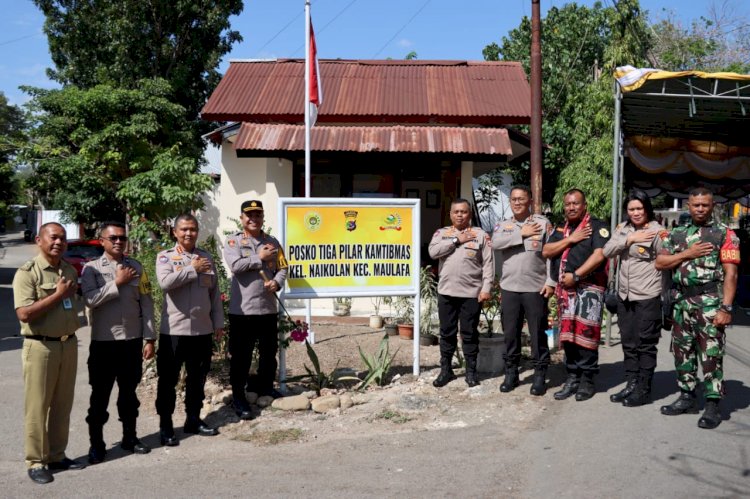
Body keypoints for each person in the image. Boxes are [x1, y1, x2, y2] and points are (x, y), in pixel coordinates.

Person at [655, 187, 739, 429]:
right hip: (682, 303)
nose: (700, 209)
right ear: (687, 206)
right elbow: (660, 262)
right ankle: (686, 397)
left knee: (711, 355)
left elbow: (731, 274)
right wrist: (688, 253)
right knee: (683, 352)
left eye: (705, 204)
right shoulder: (677, 234)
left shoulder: (724, 234)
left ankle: (712, 404)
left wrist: (726, 308)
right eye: (695, 205)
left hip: (710, 302)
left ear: (712, 206)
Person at [12, 222, 85, 484]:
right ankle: (36, 461)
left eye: (63, 238)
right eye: (53, 237)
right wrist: (57, 295)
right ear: (39, 240)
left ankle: (56, 454)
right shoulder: (27, 273)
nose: (58, 242)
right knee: (37, 407)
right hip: (40, 347)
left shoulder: (67, 269)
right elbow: (24, 313)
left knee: (62, 405)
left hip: (68, 345)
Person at [80, 221, 156, 464]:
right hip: (104, 342)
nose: (118, 242)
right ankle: (97, 444)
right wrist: (117, 283)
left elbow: (146, 303)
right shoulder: (91, 269)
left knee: (129, 395)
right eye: (112, 238)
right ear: (101, 241)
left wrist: (149, 337)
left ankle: (130, 438)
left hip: (131, 342)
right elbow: (90, 300)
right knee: (99, 396)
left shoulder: (136, 267)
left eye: (122, 238)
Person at [155, 214, 224, 445]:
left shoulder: (206, 257)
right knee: (168, 381)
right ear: (175, 232)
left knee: (198, 379)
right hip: (174, 331)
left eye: (193, 229)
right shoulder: (165, 257)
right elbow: (165, 283)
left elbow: (214, 294)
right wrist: (191, 269)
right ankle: (166, 426)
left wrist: (218, 322)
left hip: (202, 331)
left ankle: (193, 420)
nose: (188, 233)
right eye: (184, 229)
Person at [542, 189, 610, 401]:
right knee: (568, 336)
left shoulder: (597, 226)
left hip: (588, 289)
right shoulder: (563, 228)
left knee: (585, 336)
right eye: (568, 204)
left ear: (584, 205)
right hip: (566, 292)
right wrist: (570, 239)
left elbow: (599, 256)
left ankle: (587, 380)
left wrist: (577, 276)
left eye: (575, 204)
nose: (571, 208)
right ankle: (572, 377)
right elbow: (546, 251)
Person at [223, 200, 288, 419]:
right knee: (241, 356)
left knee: (269, 353)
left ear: (263, 218)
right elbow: (235, 266)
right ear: (242, 218)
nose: (254, 219)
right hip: (243, 310)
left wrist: (277, 283)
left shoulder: (272, 241)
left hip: (267, 308)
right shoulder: (233, 241)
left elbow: (282, 268)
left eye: (258, 214)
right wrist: (258, 258)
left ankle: (265, 387)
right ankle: (239, 396)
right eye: (249, 215)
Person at [602, 190, 665, 407]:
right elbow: (607, 251)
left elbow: (666, 262)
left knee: (645, 344)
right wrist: (629, 239)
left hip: (647, 295)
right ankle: (631, 383)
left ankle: (644, 389)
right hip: (624, 296)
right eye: (631, 209)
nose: (636, 213)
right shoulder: (623, 229)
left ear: (647, 208)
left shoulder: (657, 232)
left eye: (639, 208)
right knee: (628, 342)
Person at [492, 185, 554, 395]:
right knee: (510, 333)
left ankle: (539, 375)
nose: (517, 202)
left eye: (521, 199)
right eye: (513, 199)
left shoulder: (542, 224)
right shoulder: (503, 225)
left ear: (530, 201)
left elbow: (550, 254)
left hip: (535, 287)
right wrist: (520, 232)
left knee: (537, 333)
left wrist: (551, 281)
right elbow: (496, 243)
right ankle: (511, 374)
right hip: (510, 287)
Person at [428, 198, 494, 388]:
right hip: (447, 292)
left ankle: (471, 372)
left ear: (470, 214)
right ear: (450, 214)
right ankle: (446, 370)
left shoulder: (480, 235)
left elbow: (488, 264)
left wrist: (486, 288)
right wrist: (456, 241)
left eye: (464, 212)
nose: (459, 215)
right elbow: (433, 253)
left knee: (469, 333)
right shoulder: (442, 233)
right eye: (456, 212)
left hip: (471, 294)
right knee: (446, 333)